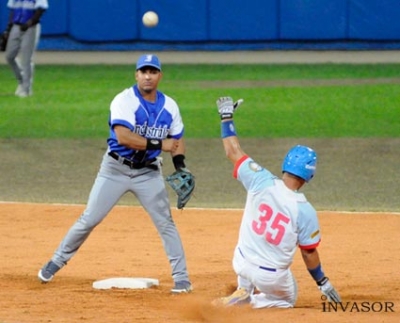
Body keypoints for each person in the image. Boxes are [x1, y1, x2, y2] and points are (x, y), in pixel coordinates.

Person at [38, 54, 193, 294]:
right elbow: (124, 137)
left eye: (152, 72)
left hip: (148, 174)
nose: (148, 76)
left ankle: (182, 278)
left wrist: (181, 165)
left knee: (166, 223)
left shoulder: (170, 106)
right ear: (136, 74)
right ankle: (56, 261)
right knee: (89, 218)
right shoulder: (124, 100)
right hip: (115, 169)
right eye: (143, 71)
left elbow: (177, 139)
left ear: (160, 75)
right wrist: (158, 144)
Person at [213, 96, 341, 308]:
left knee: (250, 253)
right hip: (269, 277)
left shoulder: (260, 178)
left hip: (241, 262)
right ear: (309, 175)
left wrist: (226, 117)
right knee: (286, 299)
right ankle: (249, 301)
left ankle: (243, 287)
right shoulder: (305, 210)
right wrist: (323, 282)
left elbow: (232, 151)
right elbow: (309, 252)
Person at [5, 0, 48, 97]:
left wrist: (29, 23)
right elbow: (12, 10)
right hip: (16, 25)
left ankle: (26, 89)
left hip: (31, 27)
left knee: (26, 59)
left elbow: (40, 10)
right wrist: (8, 29)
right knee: (9, 56)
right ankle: (22, 81)